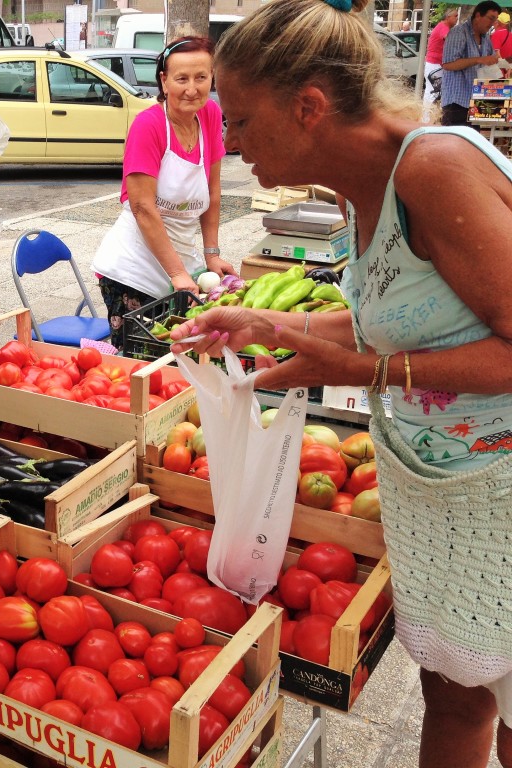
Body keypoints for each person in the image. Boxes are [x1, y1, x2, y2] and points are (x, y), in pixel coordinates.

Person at [171, 0, 512, 765]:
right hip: (450, 491)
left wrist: (363, 373)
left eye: (244, 121)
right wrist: (269, 327)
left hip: (501, 494)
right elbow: (404, 322)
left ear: (309, 108)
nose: (233, 144)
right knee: (456, 693)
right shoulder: (369, 189)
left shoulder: (434, 168)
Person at [92, 36, 236, 350]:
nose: (191, 88)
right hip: (134, 271)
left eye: (201, 77)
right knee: (143, 363)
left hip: (181, 270)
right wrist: (177, 273)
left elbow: (212, 190)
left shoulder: (210, 114)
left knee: (182, 359)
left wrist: (212, 255)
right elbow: (143, 207)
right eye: (181, 78)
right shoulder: (149, 125)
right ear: (164, 80)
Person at [440, 1, 501, 127]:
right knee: (454, 143)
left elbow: (488, 61)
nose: (492, 23)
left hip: (477, 100)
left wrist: (496, 61)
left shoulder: (486, 38)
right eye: (490, 18)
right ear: (478, 15)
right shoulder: (458, 32)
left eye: (495, 20)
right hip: (456, 101)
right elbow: (448, 64)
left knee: (472, 142)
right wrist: (479, 59)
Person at [423, 8, 460, 121]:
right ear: (448, 17)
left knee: (432, 92)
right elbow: (449, 40)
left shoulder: (442, 26)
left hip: (434, 64)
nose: (456, 19)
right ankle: (427, 119)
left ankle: (427, 118)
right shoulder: (444, 27)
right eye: (455, 16)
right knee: (433, 92)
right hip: (435, 65)